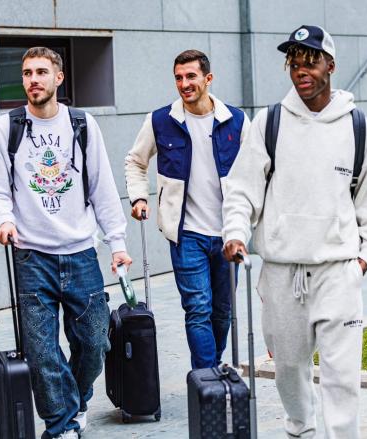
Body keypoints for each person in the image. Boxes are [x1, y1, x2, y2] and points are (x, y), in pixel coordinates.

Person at [222, 25, 367, 439]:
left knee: (341, 376)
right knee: (290, 371)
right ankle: (301, 428)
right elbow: (242, 188)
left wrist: (364, 259)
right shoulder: (270, 122)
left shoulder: (357, 127)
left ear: (330, 65)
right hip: (282, 272)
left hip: (338, 272)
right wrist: (236, 232)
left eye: (311, 61)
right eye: (294, 63)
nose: (301, 70)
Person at [0, 46, 131, 439]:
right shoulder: (4, 128)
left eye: (41, 72)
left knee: (95, 342)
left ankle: (75, 402)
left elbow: (103, 187)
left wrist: (117, 243)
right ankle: (61, 427)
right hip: (32, 256)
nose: (33, 79)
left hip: (81, 252)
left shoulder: (81, 124)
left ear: (59, 78)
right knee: (42, 353)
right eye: (27, 73)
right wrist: (4, 221)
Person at [125, 49, 250, 369]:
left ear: (208, 79)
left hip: (227, 233)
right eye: (178, 78)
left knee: (222, 311)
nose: (184, 83)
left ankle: (212, 365)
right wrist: (139, 197)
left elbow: (254, 170)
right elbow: (136, 161)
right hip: (186, 234)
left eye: (191, 76)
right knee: (197, 308)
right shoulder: (161, 120)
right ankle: (206, 380)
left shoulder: (235, 120)